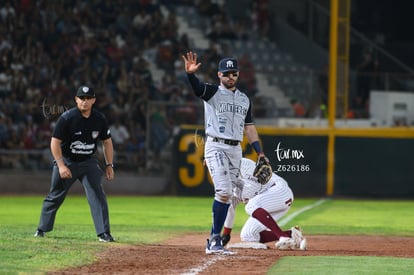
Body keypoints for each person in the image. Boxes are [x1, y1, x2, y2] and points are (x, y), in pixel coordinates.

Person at [182, 52, 269, 254]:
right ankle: (214, 240)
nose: (230, 77)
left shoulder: (244, 99)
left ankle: (214, 240)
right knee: (223, 192)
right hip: (216, 145)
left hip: (235, 149)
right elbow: (197, 89)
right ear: (219, 74)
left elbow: (249, 127)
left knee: (228, 196)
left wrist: (260, 153)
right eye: (227, 73)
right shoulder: (212, 92)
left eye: (234, 73)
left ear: (238, 75)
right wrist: (190, 75)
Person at [34, 85, 115, 242]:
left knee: (98, 196)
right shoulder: (67, 118)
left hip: (88, 162)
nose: (84, 102)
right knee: (55, 196)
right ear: (76, 100)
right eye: (81, 98)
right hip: (67, 161)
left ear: (93, 100)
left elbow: (107, 142)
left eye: (88, 98)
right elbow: (54, 143)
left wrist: (109, 165)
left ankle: (104, 233)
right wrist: (61, 165)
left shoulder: (99, 119)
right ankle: (41, 229)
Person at [222, 158, 307, 250]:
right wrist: (226, 234)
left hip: (279, 191)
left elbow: (255, 186)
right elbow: (230, 208)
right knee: (248, 235)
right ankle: (292, 234)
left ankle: (283, 237)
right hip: (267, 203)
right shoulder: (228, 185)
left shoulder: (242, 164)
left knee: (250, 206)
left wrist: (240, 193)